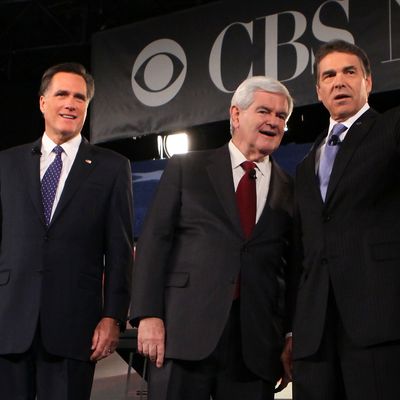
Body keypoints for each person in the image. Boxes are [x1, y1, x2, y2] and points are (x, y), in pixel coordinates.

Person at [131, 75, 294, 400]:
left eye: (281, 116)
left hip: (256, 347)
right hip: (182, 334)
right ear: (236, 115)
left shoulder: (290, 189)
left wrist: (291, 335)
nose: (273, 122)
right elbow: (153, 242)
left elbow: (293, 268)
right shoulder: (186, 169)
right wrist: (148, 315)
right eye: (264, 111)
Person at [0, 63, 134, 399]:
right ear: (43, 102)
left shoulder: (112, 167)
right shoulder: (6, 164)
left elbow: (119, 251)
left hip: (75, 328)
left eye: (80, 97)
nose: (71, 103)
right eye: (62, 94)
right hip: (9, 322)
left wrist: (113, 318)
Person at [290, 39, 400, 399]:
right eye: (329, 75)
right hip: (314, 335)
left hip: (377, 323)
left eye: (349, 71)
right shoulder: (307, 164)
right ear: (319, 90)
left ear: (369, 82)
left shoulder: (390, 131)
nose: (339, 81)